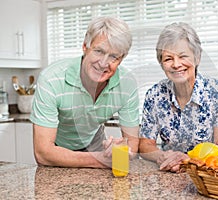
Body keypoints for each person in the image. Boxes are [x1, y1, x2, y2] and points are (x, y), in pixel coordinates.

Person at [30, 16, 140, 168]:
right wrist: (100, 160)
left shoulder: (127, 83)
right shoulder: (51, 79)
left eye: (113, 56)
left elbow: (132, 145)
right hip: (57, 152)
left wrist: (121, 150)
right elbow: (43, 153)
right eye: (99, 51)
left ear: (121, 59)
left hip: (94, 145)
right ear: (85, 47)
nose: (103, 63)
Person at [139, 22, 218, 173]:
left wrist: (187, 161)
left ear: (197, 58)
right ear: (161, 63)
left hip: (206, 174)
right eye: (168, 58)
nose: (176, 64)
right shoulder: (154, 94)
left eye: (183, 56)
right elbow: (144, 145)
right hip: (167, 172)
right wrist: (163, 157)